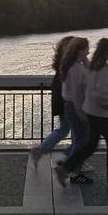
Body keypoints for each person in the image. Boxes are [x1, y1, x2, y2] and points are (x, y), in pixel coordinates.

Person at [55, 37, 108, 192]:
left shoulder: (94, 66)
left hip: (93, 112)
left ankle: (66, 168)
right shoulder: (99, 67)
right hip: (100, 114)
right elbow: (99, 92)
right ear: (107, 52)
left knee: (89, 145)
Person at [29, 36, 75, 168]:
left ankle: (40, 150)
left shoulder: (62, 65)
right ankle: (74, 160)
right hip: (67, 102)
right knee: (77, 132)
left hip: (61, 101)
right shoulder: (67, 66)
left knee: (64, 129)